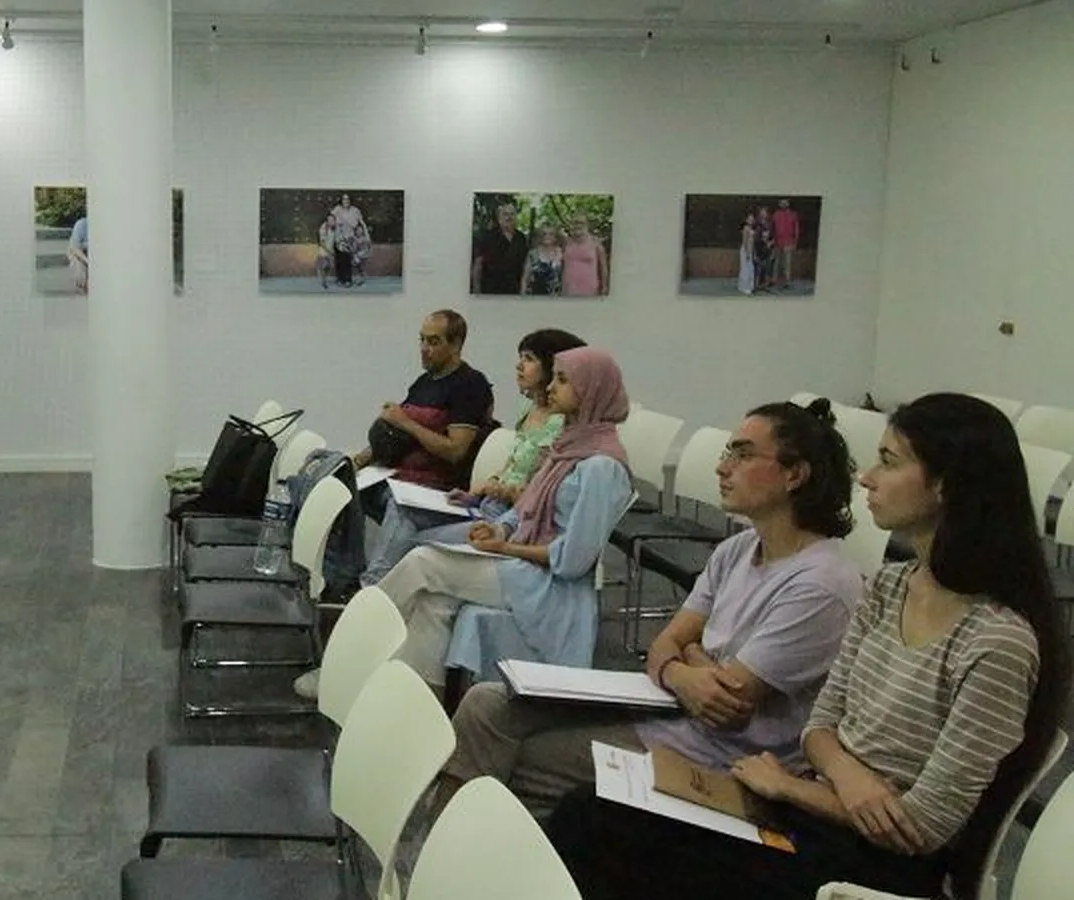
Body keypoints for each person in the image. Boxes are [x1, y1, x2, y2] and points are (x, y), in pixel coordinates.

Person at [544, 393, 1071, 900]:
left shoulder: (997, 641)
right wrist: (848, 778)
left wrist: (792, 787)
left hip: (874, 863)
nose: (867, 477)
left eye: (888, 462)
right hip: (815, 808)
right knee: (590, 813)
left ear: (945, 486)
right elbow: (821, 726)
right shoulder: (889, 587)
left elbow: (920, 827)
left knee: (603, 834)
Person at [430, 399, 863, 821]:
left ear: (794, 474)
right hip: (669, 704)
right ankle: (442, 848)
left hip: (720, 755)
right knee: (487, 704)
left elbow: (727, 700)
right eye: (727, 452)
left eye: (743, 455)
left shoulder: (820, 584)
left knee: (524, 758)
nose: (723, 467)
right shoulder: (738, 549)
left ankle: (472, 845)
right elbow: (664, 645)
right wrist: (685, 667)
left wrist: (686, 655)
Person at [355, 347, 633, 691]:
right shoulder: (569, 447)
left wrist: (505, 547)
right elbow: (523, 511)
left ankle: (355, 651)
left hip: (550, 588)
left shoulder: (601, 468)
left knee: (422, 562)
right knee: (433, 603)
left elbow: (572, 561)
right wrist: (500, 528)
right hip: (524, 568)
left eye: (562, 380)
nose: (550, 388)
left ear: (591, 390)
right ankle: (416, 699)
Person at [350, 310, 494, 494]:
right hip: (395, 475)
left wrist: (405, 422)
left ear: (455, 345)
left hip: (433, 487)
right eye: (422, 340)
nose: (424, 349)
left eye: (433, 342)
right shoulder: (423, 383)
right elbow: (396, 432)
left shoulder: (470, 384)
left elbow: (456, 451)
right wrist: (357, 461)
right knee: (337, 485)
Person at [471, 203, 530, 295]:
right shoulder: (488, 237)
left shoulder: (521, 238)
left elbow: (525, 264)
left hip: (514, 289)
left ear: (516, 217)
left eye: (512, 214)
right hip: (490, 289)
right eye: (505, 214)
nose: (509, 217)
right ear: (499, 217)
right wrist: (476, 289)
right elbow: (478, 264)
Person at [560, 215, 609, 296]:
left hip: (590, 289)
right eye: (575, 223)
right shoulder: (566, 243)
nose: (578, 225)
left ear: (587, 225)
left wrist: (605, 286)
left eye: (581, 223)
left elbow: (604, 267)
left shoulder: (596, 243)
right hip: (568, 289)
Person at [67, 214, 89, 294]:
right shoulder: (82, 224)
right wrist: (88, 262)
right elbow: (75, 248)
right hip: (80, 254)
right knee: (81, 277)